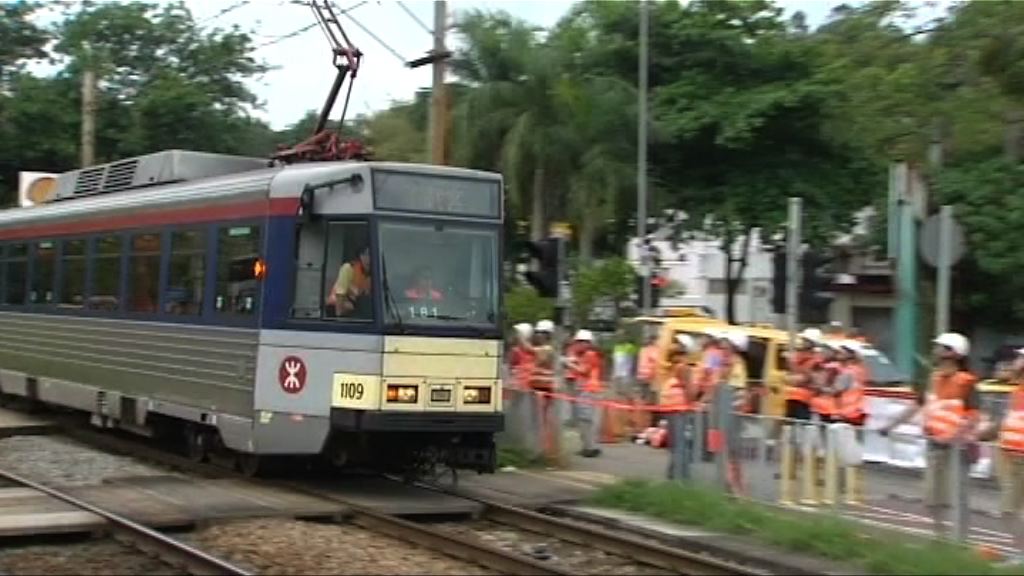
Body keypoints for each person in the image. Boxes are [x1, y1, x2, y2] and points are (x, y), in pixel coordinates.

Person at [880, 332, 981, 539]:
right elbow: (918, 404)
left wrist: (955, 437)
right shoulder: (934, 378)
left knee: (955, 497)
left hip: (956, 449)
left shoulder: (966, 382)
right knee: (933, 497)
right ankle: (940, 537)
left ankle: (959, 540)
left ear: (952, 353)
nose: (935, 351)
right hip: (934, 445)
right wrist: (890, 425)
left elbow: (974, 416)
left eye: (940, 347)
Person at [663, 334, 697, 480]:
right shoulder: (683, 368)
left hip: (672, 407)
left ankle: (673, 474)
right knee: (681, 443)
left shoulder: (674, 366)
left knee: (676, 442)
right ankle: (680, 476)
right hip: (679, 408)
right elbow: (689, 390)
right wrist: (692, 403)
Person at [574, 329, 605, 458]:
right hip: (592, 390)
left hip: (588, 390)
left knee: (585, 420)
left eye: (580, 342)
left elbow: (583, 371)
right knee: (591, 420)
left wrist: (568, 364)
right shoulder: (592, 354)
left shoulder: (589, 354)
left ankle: (589, 447)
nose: (577, 345)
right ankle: (591, 446)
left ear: (587, 343)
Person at [327, 245, 371, 317]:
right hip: (336, 305)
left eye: (371, 254)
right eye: (366, 254)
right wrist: (338, 316)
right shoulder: (348, 268)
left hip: (357, 304)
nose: (369, 258)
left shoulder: (375, 273)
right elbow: (340, 292)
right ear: (360, 256)